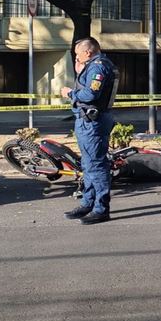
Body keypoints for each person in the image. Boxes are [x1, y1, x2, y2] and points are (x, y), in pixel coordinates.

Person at [60, 37, 118, 225]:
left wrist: (70, 93)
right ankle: (88, 203)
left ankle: (101, 209)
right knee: (88, 165)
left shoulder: (98, 67)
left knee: (96, 165)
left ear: (88, 52)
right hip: (88, 121)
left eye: (78, 54)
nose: (76, 58)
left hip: (93, 122)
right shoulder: (94, 65)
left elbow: (91, 94)